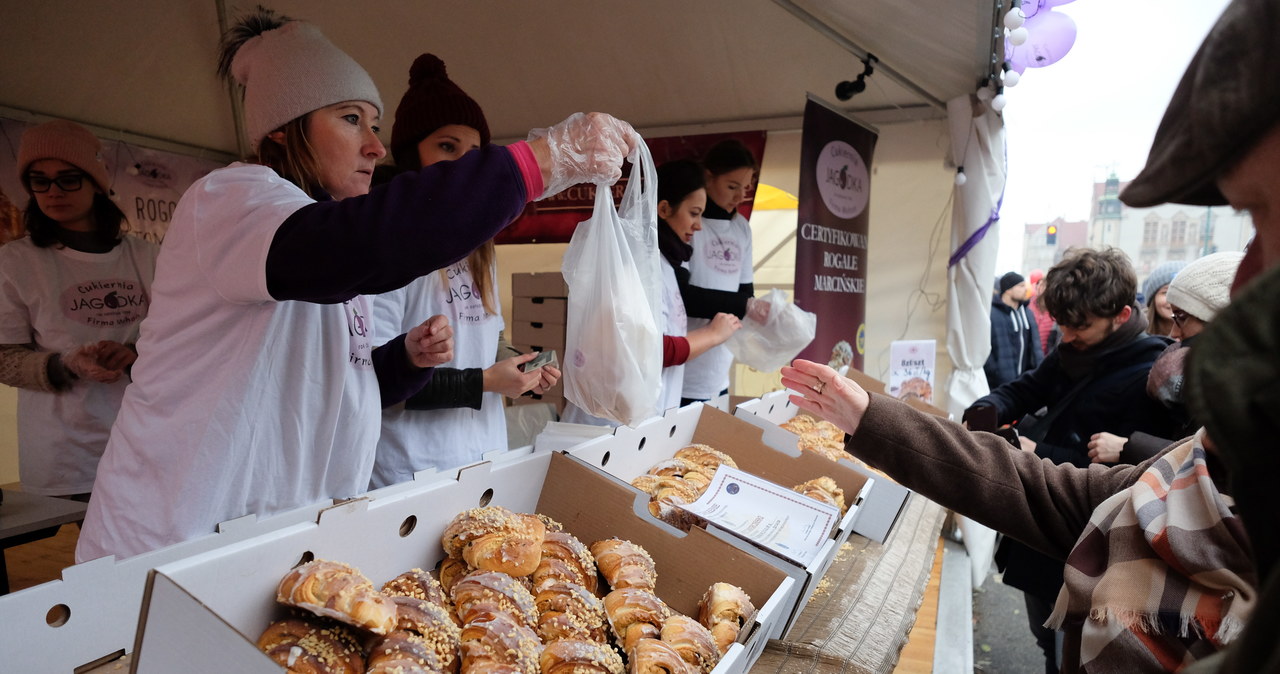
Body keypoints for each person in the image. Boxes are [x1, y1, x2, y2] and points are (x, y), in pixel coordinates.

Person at [76, 9, 638, 561]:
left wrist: (404, 363)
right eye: (351, 119)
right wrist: (538, 162)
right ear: (284, 128)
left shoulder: (324, 230)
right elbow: (355, 246)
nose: (375, 145)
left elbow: (347, 382)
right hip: (173, 538)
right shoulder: (230, 200)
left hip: (277, 541)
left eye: (375, 124)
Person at [966, 248, 1182, 673]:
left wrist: (1037, 451)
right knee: (1046, 638)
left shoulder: (1150, 374)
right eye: (1062, 323)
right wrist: (985, 408)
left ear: (1121, 314)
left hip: (1089, 541)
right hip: (1040, 526)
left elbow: (1129, 475)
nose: (1066, 335)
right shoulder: (1073, 350)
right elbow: (1027, 387)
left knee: (1076, 651)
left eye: (1079, 326)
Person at [367, 54, 560, 487]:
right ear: (410, 156)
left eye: (474, 154)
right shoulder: (389, 243)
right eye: (447, 147)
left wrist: (522, 369)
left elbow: (489, 339)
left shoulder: (480, 246)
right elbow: (374, 377)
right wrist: (488, 382)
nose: (463, 166)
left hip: (480, 462)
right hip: (408, 472)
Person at [0, 120, 159, 502]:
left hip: (148, 439)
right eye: (40, 180)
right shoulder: (14, 262)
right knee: (93, 560)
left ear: (96, 183)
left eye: (68, 178)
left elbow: (182, 337)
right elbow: (4, 359)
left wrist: (137, 353)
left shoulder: (148, 256)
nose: (53, 191)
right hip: (67, 454)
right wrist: (66, 363)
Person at [560, 160, 742, 426]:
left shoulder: (663, 263)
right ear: (664, 208)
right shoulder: (639, 266)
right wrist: (713, 334)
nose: (699, 226)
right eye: (693, 213)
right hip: (608, 424)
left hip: (638, 419)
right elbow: (648, 349)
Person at [1088, 251, 1243, 463]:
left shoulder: (1246, 390)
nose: (1174, 334)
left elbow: (1219, 464)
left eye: (1181, 318)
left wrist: (1129, 447)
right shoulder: (1212, 376)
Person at [679, 139, 768, 406]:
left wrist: (753, 309)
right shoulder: (689, 223)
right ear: (708, 178)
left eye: (746, 188)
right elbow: (683, 296)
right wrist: (745, 305)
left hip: (720, 365)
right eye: (732, 187)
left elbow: (744, 290)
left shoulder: (741, 227)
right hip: (684, 362)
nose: (740, 197)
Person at [984, 271, 1043, 389]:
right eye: (1021, 286)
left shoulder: (1027, 313)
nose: (1025, 289)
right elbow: (985, 346)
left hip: (1024, 381)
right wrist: (995, 372)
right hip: (998, 384)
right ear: (1008, 289)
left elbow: (1035, 346)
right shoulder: (991, 314)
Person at [1140, 260, 1187, 338]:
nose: (1173, 300)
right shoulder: (1134, 337)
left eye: (1182, 292)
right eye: (1166, 293)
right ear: (1153, 299)